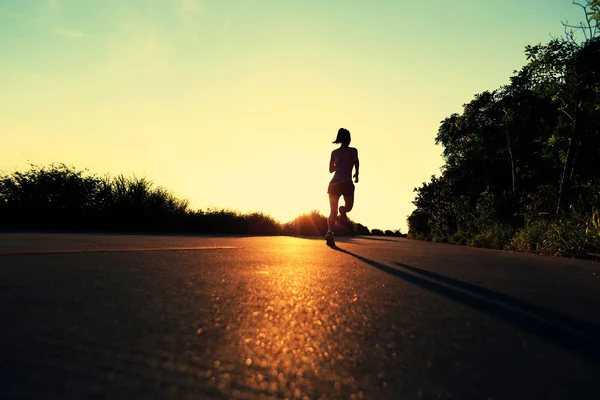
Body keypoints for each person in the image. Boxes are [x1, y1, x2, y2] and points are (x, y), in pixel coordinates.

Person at [325, 128, 359, 245]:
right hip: (345, 183)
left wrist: (338, 166)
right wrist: (356, 174)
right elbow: (356, 163)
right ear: (348, 139)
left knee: (335, 211)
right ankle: (342, 213)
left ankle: (331, 230)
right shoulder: (352, 151)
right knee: (344, 208)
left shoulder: (337, 152)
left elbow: (331, 169)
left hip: (335, 184)